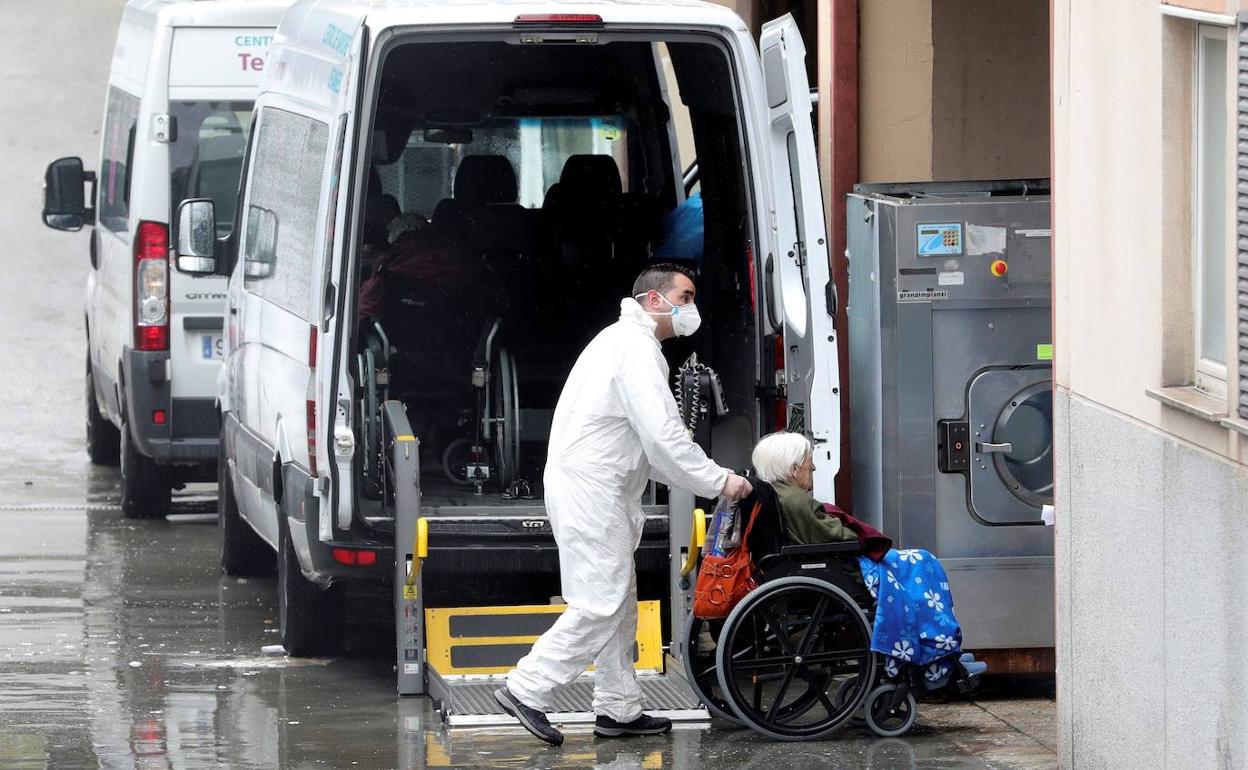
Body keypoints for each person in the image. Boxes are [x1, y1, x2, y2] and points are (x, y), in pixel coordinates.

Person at [495, 263, 753, 745]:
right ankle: (526, 687)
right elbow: (664, 438)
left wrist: (703, 477)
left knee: (619, 602)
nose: (692, 307)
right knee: (600, 602)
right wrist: (721, 481)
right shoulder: (633, 350)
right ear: (655, 301)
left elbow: (648, 447)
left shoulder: (627, 345)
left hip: (599, 487)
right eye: (686, 295)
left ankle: (618, 708)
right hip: (594, 490)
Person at [749, 431, 987, 685]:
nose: (814, 466)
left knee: (914, 565)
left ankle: (938, 649)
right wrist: (857, 534)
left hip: (805, 567)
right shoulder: (795, 500)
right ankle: (938, 653)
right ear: (794, 468)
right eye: (809, 460)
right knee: (922, 562)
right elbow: (837, 537)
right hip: (835, 568)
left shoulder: (778, 494)